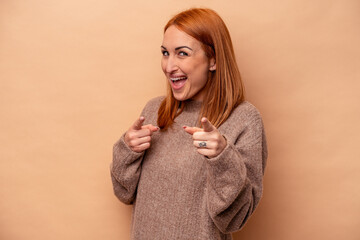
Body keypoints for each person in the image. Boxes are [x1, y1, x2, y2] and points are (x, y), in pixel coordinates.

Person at [110, 8, 267, 240]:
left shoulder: (243, 119)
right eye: (165, 53)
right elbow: (124, 193)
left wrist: (222, 157)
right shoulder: (155, 111)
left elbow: (234, 219)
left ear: (213, 60)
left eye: (182, 53)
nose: (168, 66)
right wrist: (127, 149)